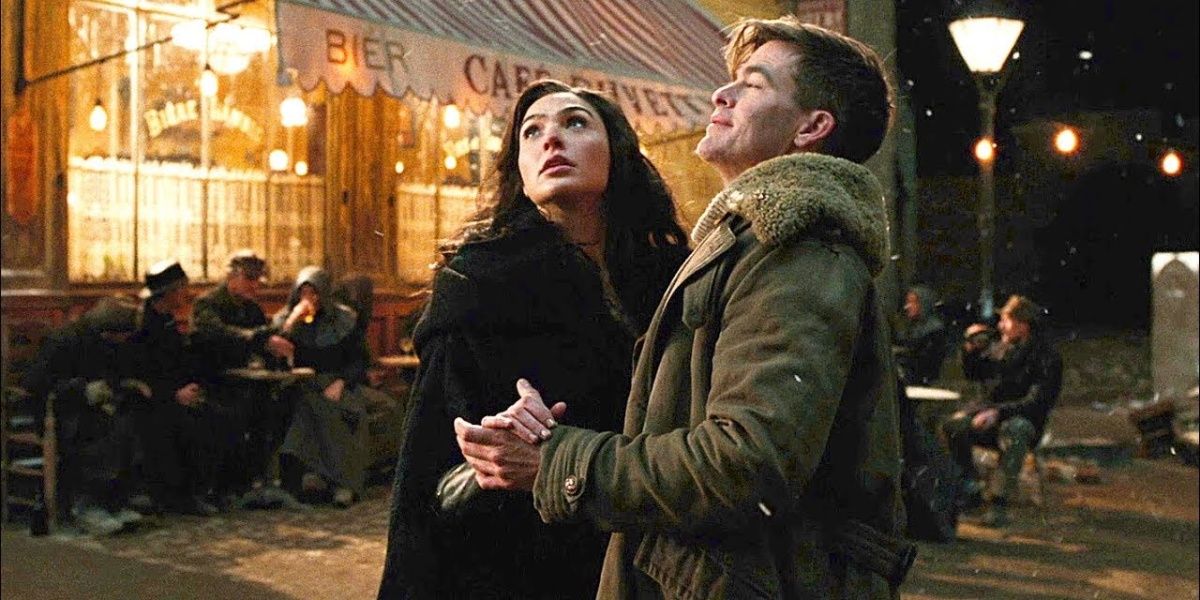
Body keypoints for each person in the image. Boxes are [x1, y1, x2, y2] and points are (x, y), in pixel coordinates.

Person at [455, 18, 912, 599]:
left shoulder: (796, 249)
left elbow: (746, 464)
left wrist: (557, 462)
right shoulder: (752, 244)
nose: (722, 93)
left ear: (812, 127)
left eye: (754, 84)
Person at [376, 79, 690, 599]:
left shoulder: (670, 277)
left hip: (653, 547)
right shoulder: (477, 283)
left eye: (575, 123)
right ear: (519, 171)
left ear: (617, 151)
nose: (551, 139)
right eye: (532, 131)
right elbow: (425, 468)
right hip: (518, 557)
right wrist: (499, 433)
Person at [23, 296, 147, 535]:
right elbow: (35, 384)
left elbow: (112, 373)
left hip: (93, 407)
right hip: (58, 412)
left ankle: (113, 501)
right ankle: (86, 505)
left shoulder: (107, 343)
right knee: (103, 430)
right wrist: (82, 390)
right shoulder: (64, 340)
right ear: (108, 331)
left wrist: (123, 386)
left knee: (134, 422)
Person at [945, 294, 1063, 527]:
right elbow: (976, 374)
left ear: (1023, 325)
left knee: (1015, 430)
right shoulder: (1003, 348)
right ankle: (970, 487)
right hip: (992, 417)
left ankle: (999, 502)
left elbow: (1037, 402)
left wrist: (998, 413)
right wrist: (970, 349)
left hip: (1025, 421)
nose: (1000, 326)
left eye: (1006, 321)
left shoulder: (1047, 357)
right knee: (953, 426)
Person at [191, 250, 298, 504]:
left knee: (284, 405)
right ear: (232, 276)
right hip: (213, 380)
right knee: (235, 412)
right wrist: (260, 339)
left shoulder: (252, 308)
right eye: (249, 279)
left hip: (247, 381)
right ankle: (226, 487)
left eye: (257, 280)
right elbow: (218, 335)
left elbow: (263, 338)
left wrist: (276, 348)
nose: (254, 285)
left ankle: (258, 481)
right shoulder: (207, 304)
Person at [273, 265, 371, 508]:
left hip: (337, 382)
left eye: (314, 293)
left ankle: (342, 482)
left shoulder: (344, 319)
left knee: (341, 411)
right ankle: (336, 482)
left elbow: (359, 361)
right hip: (299, 383)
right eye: (304, 293)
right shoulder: (286, 319)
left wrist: (342, 381)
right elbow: (275, 353)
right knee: (306, 406)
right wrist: (292, 321)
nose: (310, 299)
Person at [130, 259, 221, 516]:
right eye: (182, 289)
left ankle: (202, 491)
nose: (186, 294)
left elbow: (179, 362)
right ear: (169, 293)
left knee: (218, 414)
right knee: (183, 424)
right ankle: (177, 496)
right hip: (149, 399)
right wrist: (174, 394)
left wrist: (192, 386)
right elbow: (141, 372)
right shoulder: (142, 325)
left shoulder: (169, 320)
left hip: (173, 393)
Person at [894, 285, 948, 385]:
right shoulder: (910, 328)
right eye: (907, 302)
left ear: (924, 303)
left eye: (913, 302)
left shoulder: (934, 331)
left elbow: (925, 361)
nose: (907, 306)